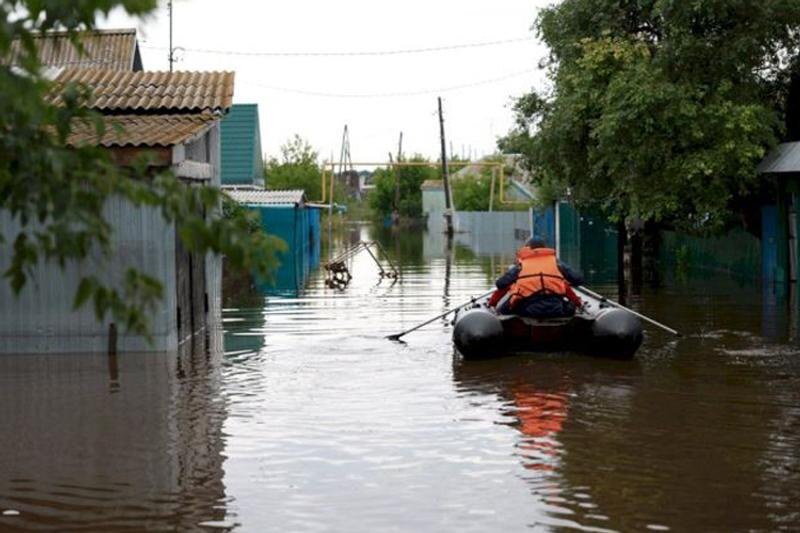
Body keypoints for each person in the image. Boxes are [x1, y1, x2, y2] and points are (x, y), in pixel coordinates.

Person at [489, 238, 584, 318]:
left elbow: (500, 284)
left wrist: (492, 304)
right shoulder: (556, 263)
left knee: (504, 309)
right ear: (545, 248)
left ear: (527, 249)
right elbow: (578, 280)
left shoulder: (521, 265)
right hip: (556, 309)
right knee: (569, 304)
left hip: (528, 310)